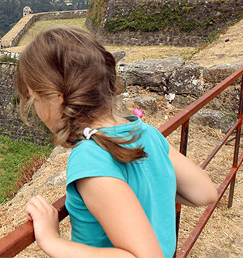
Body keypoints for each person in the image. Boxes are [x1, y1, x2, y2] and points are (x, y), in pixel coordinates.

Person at [14, 26, 218, 258]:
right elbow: (204, 192)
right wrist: (153, 187)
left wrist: (51, 241)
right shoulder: (144, 133)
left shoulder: (90, 158)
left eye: (33, 99)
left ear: (56, 97)